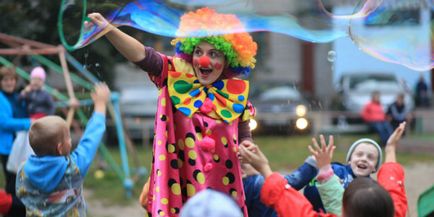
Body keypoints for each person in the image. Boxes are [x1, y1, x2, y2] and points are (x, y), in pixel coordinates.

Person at [87, 7, 257, 216]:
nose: (204, 60)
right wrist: (108, 29)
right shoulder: (174, 74)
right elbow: (142, 55)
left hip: (223, 187)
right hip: (181, 184)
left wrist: (247, 145)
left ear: (228, 58)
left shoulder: (235, 93)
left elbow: (243, 135)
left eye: (213, 53)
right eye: (198, 52)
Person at [241, 122, 407, 217]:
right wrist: (390, 147)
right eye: (360, 154)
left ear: (345, 211)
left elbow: (295, 206)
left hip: (268, 191)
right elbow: (394, 186)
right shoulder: (394, 213)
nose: (364, 159)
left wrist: (263, 167)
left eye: (370, 157)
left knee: (256, 184)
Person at [16, 83, 110, 216]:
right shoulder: (73, 168)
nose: (71, 140)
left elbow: (21, 194)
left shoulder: (23, 170)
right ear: (60, 148)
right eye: (68, 138)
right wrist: (100, 105)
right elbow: (91, 139)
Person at [0, 66, 31, 216]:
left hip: (22, 147)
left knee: (23, 182)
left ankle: (20, 210)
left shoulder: (19, 97)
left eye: (11, 80)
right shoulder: (1, 98)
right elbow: (4, 123)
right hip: (7, 147)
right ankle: (12, 211)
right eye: (5, 80)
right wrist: (29, 122)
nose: (9, 83)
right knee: (12, 182)